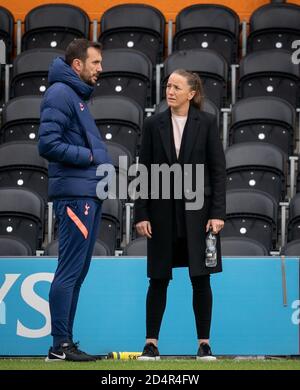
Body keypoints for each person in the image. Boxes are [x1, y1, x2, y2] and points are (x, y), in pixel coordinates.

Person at [134, 69, 226, 360]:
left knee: (201, 279)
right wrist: (142, 213)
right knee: (158, 279)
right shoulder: (153, 124)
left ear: (191, 93)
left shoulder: (208, 123)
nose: (169, 91)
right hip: (161, 215)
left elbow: (218, 171)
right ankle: (151, 344)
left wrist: (218, 213)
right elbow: (144, 172)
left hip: (199, 216)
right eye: (167, 86)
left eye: (176, 87)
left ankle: (204, 344)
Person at [38, 39, 112, 362]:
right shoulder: (60, 93)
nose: (100, 69)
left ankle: (65, 343)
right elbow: (47, 144)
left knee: (77, 272)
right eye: (95, 63)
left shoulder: (75, 96)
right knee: (69, 270)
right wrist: (90, 155)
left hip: (87, 193)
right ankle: (59, 345)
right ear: (77, 65)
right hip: (75, 195)